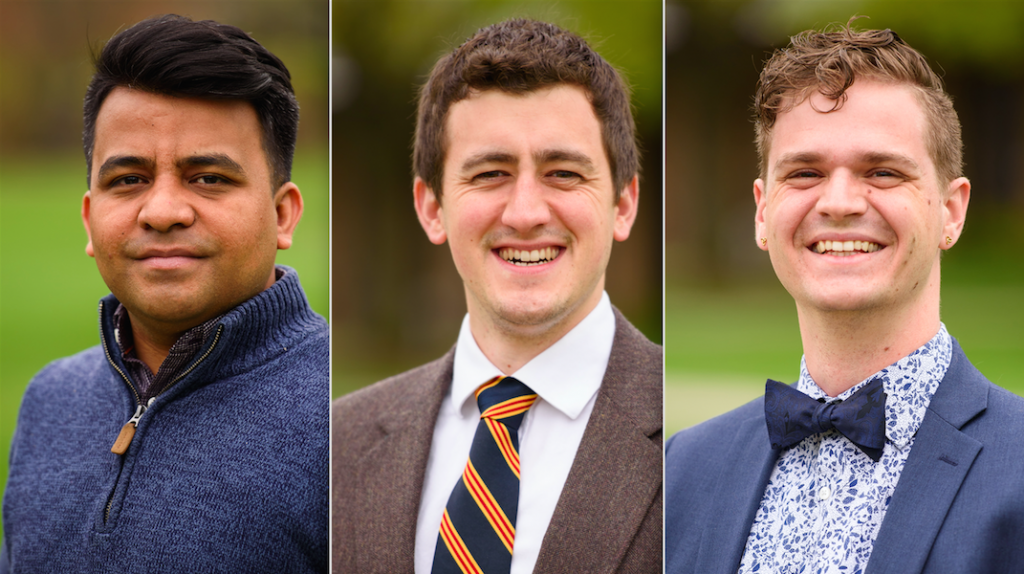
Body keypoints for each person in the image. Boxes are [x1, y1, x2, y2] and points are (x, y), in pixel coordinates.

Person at [665, 22, 1024, 574]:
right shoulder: (683, 468)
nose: (837, 201)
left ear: (951, 210)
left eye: (882, 171)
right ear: (763, 211)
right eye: (805, 172)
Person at [332, 18, 662, 574]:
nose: (526, 212)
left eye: (562, 172)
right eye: (489, 173)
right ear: (432, 207)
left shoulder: (693, 443)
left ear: (624, 204)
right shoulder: (340, 445)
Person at [0, 15, 328, 573]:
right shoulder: (49, 401)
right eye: (128, 179)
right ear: (89, 217)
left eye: (209, 178)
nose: (163, 212)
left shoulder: (340, 424)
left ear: (281, 214)